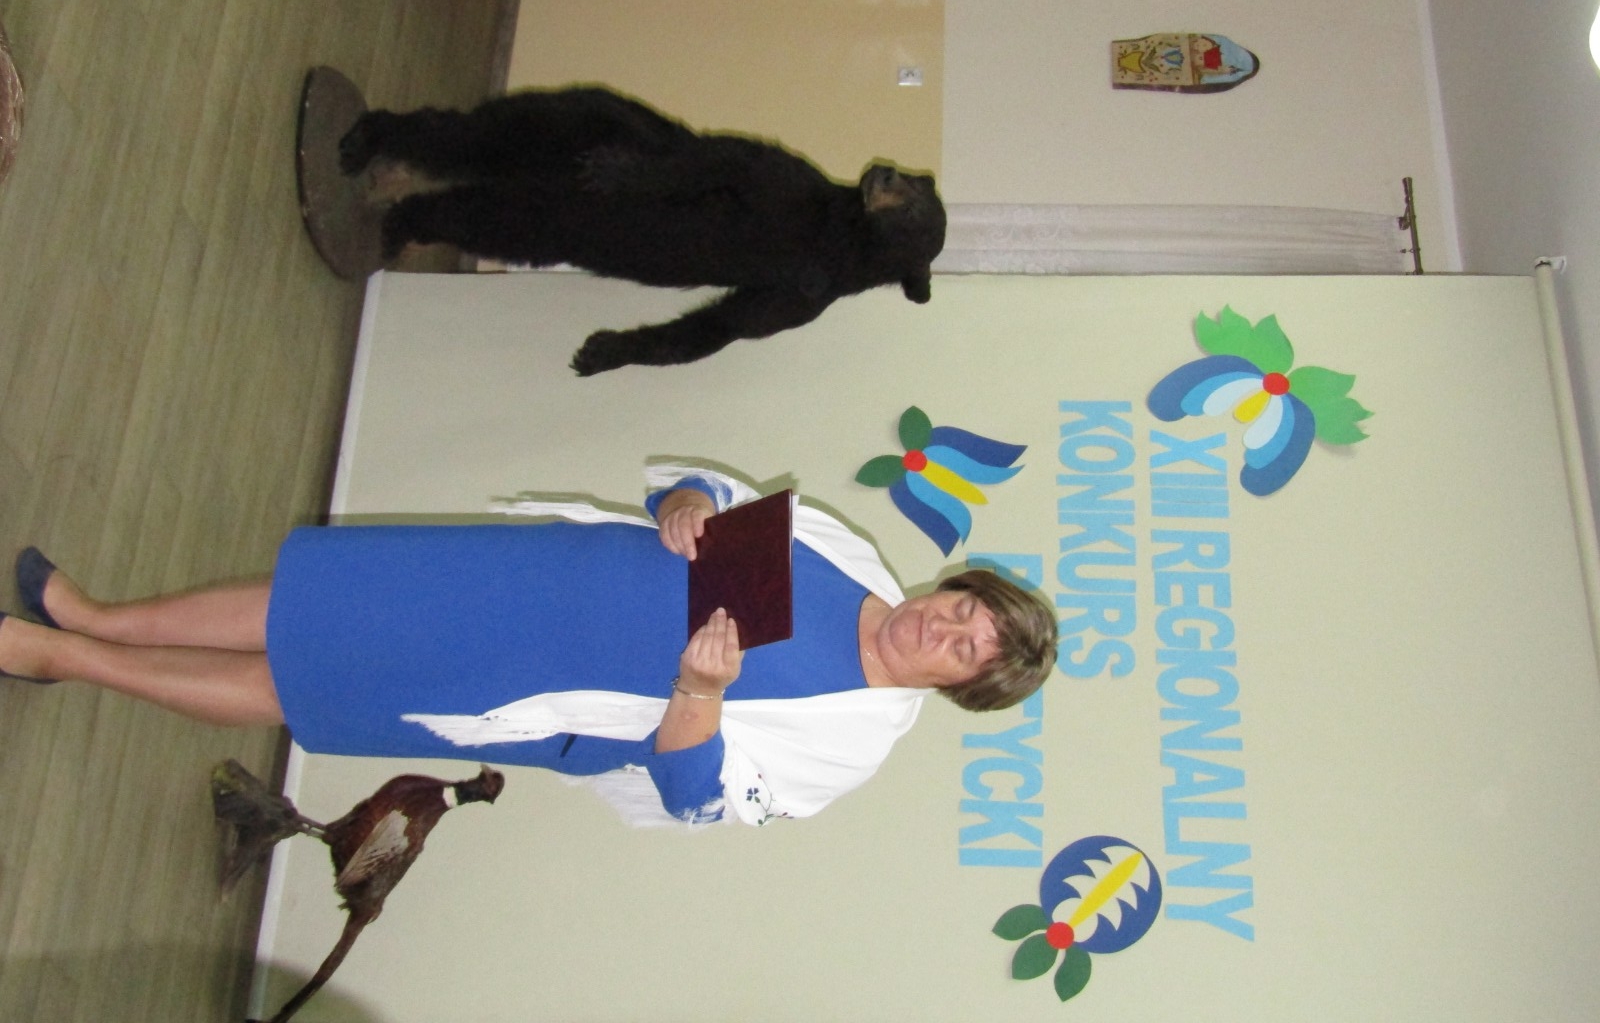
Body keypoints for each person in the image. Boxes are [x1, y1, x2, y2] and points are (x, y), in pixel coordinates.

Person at [0, 465, 1056, 827]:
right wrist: (685, 503)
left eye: (965, 651)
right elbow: (702, 495)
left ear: (956, 687)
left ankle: (71, 660)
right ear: (954, 585)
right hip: (529, 577)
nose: (945, 628)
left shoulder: (852, 739)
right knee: (304, 598)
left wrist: (698, 692)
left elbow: (695, 798)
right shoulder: (855, 557)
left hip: (535, 688)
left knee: (298, 686)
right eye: (964, 609)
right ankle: (98, 615)